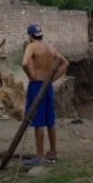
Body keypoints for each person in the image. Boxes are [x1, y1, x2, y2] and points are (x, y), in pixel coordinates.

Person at [21, 23, 69, 165]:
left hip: (37, 86)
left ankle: (40, 156)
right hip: (47, 86)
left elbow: (24, 63)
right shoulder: (50, 47)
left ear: (30, 35)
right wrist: (53, 79)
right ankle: (53, 152)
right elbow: (65, 63)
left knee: (38, 122)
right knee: (50, 121)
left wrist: (31, 75)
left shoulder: (31, 46)